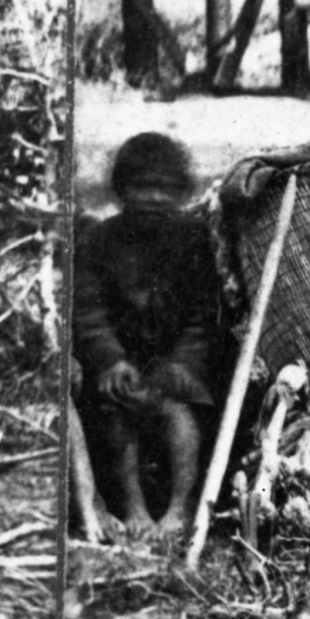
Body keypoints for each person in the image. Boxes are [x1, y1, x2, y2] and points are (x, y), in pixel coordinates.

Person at [73, 132, 222, 541]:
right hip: (123, 368)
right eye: (143, 187)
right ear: (121, 190)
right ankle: (133, 506)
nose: (154, 198)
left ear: (181, 193)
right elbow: (89, 314)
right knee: (116, 414)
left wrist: (182, 365)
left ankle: (179, 507)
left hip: (176, 368)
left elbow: (202, 316)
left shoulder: (194, 241)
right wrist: (110, 360)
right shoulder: (100, 241)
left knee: (181, 415)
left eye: (165, 189)